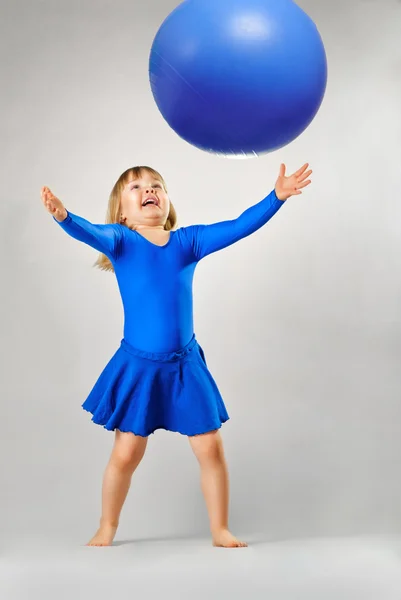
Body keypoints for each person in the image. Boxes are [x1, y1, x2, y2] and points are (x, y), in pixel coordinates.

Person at [40, 162, 312, 548]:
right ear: (122, 211)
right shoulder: (120, 240)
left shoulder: (188, 243)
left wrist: (277, 198)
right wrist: (64, 216)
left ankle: (220, 529)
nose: (148, 190)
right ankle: (107, 526)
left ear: (167, 202)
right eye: (136, 187)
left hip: (185, 366)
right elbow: (89, 232)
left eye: (156, 186)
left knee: (211, 447)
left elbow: (238, 226)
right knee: (127, 452)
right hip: (139, 368)